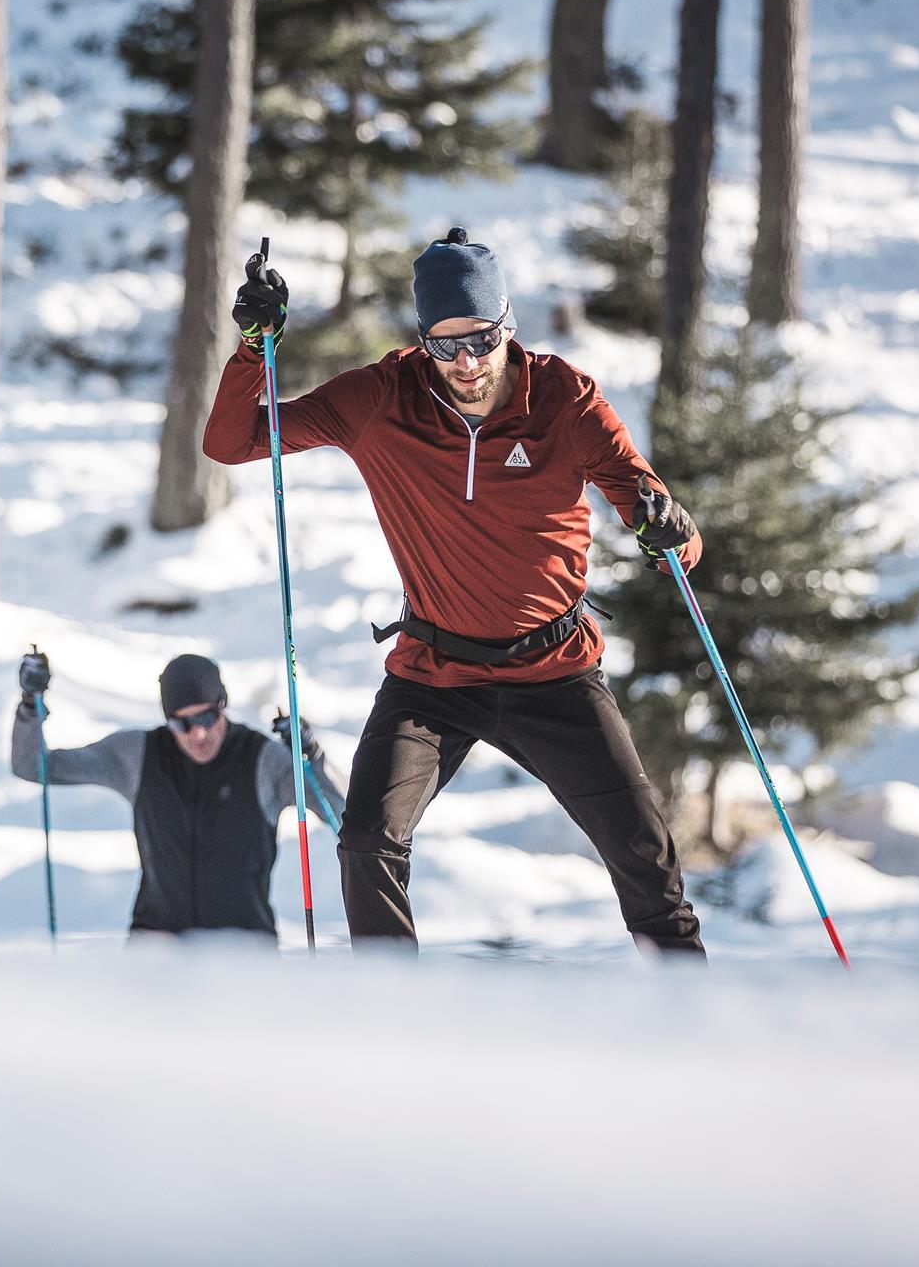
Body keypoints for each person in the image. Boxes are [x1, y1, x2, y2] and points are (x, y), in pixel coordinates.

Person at [202, 227, 706, 957]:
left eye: (482, 340)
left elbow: (666, 527)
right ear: (420, 341)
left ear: (508, 325)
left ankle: (690, 1005)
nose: (466, 363)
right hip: (435, 677)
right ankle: (398, 1016)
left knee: (644, 855)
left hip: (555, 672)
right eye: (443, 346)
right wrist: (255, 349)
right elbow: (233, 442)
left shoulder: (564, 397)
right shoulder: (380, 397)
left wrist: (668, 532)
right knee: (368, 839)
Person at [9, 651, 345, 942]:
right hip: (158, 945)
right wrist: (29, 706)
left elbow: (340, 814)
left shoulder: (262, 759)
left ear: (222, 705)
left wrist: (310, 756)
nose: (197, 732)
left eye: (206, 717)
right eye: (182, 723)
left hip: (243, 948)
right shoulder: (136, 755)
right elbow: (32, 766)